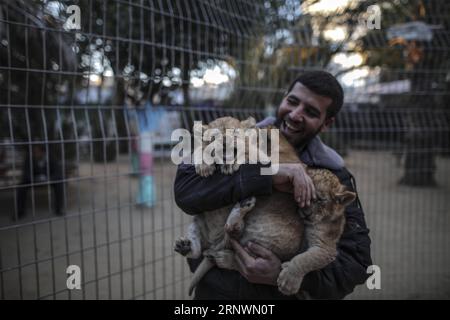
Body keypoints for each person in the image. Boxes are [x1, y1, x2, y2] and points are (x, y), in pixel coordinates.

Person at [174, 71, 372, 299]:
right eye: (292, 101)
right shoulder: (239, 136)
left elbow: (356, 262)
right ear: (284, 96)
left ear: (326, 123)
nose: (296, 114)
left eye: (311, 112)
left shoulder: (333, 178)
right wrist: (264, 176)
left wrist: (285, 274)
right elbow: (184, 190)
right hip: (216, 292)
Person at [16, 145, 65, 219]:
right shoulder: (29, 158)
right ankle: (20, 212)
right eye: (34, 151)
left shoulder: (51, 157)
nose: (35, 153)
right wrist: (33, 180)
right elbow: (26, 173)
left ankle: (59, 209)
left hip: (48, 179)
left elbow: (57, 172)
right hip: (33, 180)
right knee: (21, 187)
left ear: (43, 151)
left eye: (37, 151)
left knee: (59, 184)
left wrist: (49, 179)